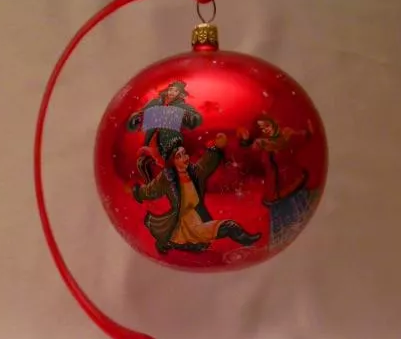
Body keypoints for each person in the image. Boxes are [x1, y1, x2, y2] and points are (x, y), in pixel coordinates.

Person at [133, 133, 261, 254]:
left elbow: (205, 164)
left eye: (184, 154)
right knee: (228, 227)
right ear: (172, 161)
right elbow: (152, 189)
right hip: (184, 226)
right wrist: (138, 192)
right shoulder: (167, 177)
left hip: (198, 220)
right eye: (179, 156)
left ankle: (248, 241)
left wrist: (216, 148)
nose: (185, 158)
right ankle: (248, 241)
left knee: (227, 226)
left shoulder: (193, 172)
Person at [127, 81, 203, 183]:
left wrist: (187, 117)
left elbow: (196, 118)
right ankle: (149, 184)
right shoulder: (155, 103)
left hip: (171, 140)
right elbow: (140, 114)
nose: (172, 92)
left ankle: (176, 183)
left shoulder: (182, 106)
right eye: (171, 89)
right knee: (142, 162)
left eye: (175, 91)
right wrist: (136, 119)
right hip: (153, 140)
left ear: (180, 94)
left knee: (171, 164)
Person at [237, 116, 313, 204]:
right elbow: (248, 154)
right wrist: (245, 140)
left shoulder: (287, 136)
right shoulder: (261, 145)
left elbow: (304, 136)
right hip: (276, 197)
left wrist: (307, 131)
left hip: (295, 189)